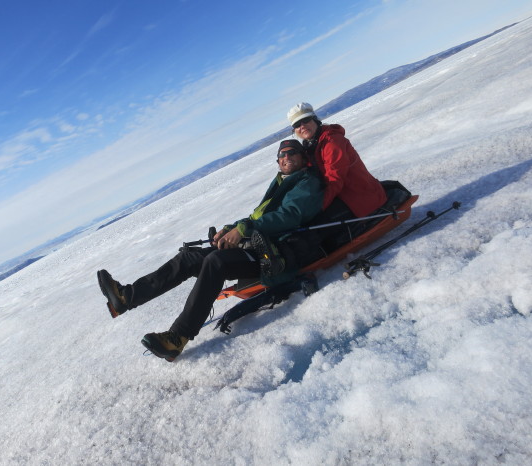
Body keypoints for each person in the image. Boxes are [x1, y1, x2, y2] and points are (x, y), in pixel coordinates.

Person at [97, 140, 323, 362]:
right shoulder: (283, 181)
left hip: (276, 254)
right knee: (189, 257)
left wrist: (245, 229)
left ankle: (178, 337)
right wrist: (232, 229)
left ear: (303, 157)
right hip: (257, 244)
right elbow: (258, 217)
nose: (286, 157)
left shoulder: (307, 182)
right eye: (282, 155)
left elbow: (290, 216)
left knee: (217, 261)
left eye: (292, 152)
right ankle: (126, 297)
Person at [285, 102, 388, 252]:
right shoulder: (310, 147)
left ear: (315, 120)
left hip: (358, 196)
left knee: (314, 227)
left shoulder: (332, 142)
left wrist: (317, 207)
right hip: (340, 196)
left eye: (306, 120)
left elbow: (334, 180)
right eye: (297, 124)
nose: (303, 126)